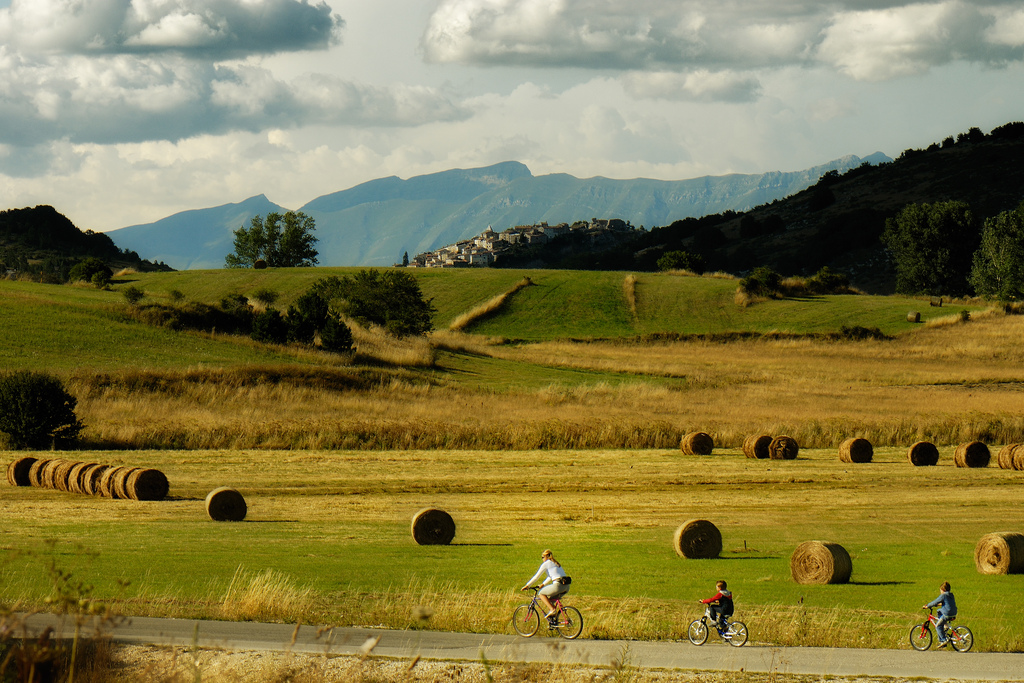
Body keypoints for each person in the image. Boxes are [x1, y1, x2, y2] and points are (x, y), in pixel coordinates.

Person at [522, 549, 572, 626]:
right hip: (566, 587)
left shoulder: (546, 564)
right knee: (550, 601)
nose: (542, 559)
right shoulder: (555, 562)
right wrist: (543, 584)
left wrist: (527, 586)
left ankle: (552, 610)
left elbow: (536, 577)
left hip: (558, 586)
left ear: (546, 556)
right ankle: (553, 622)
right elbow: (551, 576)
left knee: (541, 593)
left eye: (542, 557)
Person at [924, 581, 957, 647]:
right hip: (953, 612)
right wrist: (938, 605)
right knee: (939, 611)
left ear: (943, 590)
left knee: (938, 626)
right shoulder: (951, 595)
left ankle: (943, 640)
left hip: (947, 613)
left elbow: (935, 602)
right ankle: (945, 626)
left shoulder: (943, 595)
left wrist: (927, 605)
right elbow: (946, 603)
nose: (940, 592)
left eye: (940, 590)